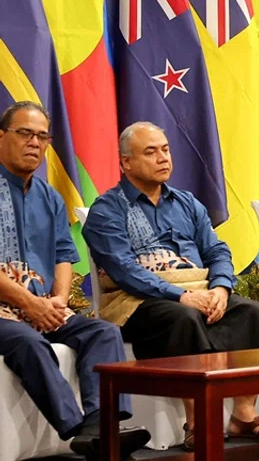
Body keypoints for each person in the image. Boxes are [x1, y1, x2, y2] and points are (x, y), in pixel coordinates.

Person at [82, 122, 259, 450]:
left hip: (200, 291)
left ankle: (244, 416)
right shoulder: (107, 210)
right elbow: (123, 270)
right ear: (126, 163)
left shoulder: (187, 203)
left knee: (251, 312)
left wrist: (222, 289)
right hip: (139, 302)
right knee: (183, 317)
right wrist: (181, 295)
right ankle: (197, 423)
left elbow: (217, 250)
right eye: (150, 152)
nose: (163, 158)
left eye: (165, 149)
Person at [0, 102, 149, 460]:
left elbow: (64, 255)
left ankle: (102, 424)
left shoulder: (49, 195)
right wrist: (29, 303)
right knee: (28, 342)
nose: (34, 143)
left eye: (42, 136)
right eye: (24, 133)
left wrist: (58, 300)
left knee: (103, 332)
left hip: (41, 307)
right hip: (7, 313)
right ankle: (80, 431)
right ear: (1, 136)